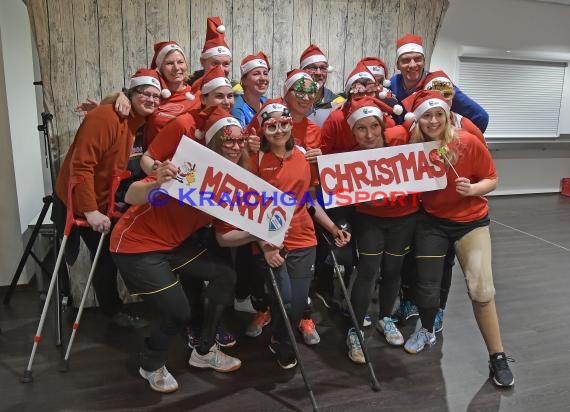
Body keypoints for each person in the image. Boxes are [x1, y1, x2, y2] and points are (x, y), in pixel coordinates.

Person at [110, 106, 246, 393]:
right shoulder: (185, 166)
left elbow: (223, 238)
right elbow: (133, 193)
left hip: (173, 246)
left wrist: (260, 234)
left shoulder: (232, 181)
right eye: (227, 140)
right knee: (177, 311)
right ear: (212, 142)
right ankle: (150, 364)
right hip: (136, 246)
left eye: (239, 140)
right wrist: (157, 183)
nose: (234, 146)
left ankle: (204, 351)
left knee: (226, 276)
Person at [403, 90, 514, 389]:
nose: (434, 119)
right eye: (427, 114)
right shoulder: (410, 146)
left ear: (448, 115)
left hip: (471, 222)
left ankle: (497, 355)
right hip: (432, 223)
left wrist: (474, 190)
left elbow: (492, 178)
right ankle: (426, 329)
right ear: (418, 119)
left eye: (439, 113)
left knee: (481, 289)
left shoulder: (467, 141)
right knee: (426, 286)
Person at [226, 101, 349, 369]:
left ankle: (281, 341)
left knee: (297, 305)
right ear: (263, 130)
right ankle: (283, 340)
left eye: (284, 124)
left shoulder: (305, 156)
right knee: (285, 298)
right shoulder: (256, 159)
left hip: (304, 239)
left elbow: (308, 201)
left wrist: (332, 228)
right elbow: (250, 209)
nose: (279, 130)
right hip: (271, 241)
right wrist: (266, 246)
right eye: (271, 126)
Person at [53, 69, 162, 329]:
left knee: (107, 255)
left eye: (156, 96)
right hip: (78, 199)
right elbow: (82, 166)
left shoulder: (133, 121)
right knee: (96, 255)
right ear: (131, 94)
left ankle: (112, 311)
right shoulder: (105, 117)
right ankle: (103, 312)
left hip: (101, 199)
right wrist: (90, 211)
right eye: (145, 93)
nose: (151, 99)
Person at [337, 96, 415, 364]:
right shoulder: (348, 158)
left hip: (404, 217)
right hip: (369, 218)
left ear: (382, 127)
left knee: (393, 270)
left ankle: (385, 318)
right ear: (352, 131)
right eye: (361, 128)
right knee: (369, 270)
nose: (368, 134)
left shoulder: (401, 143)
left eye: (373, 127)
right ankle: (355, 329)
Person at [389, 34, 489, 133]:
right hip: (410, 146)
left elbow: (481, 117)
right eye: (405, 60)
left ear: (424, 62)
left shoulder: (438, 84)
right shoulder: (393, 84)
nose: (412, 64)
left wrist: (456, 141)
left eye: (417, 59)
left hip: (439, 147)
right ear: (397, 65)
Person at [299, 44, 345, 127]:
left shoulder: (339, 102)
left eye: (323, 68)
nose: (318, 73)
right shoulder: (293, 103)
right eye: (312, 68)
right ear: (302, 72)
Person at [188, 16, 232, 91]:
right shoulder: (190, 90)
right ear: (202, 62)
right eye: (215, 63)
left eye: (226, 64)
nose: (220, 69)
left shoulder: (235, 91)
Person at [232, 52, 270, 127]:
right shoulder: (237, 108)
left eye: (265, 73)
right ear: (244, 80)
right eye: (256, 74)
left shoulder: (268, 103)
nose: (263, 78)